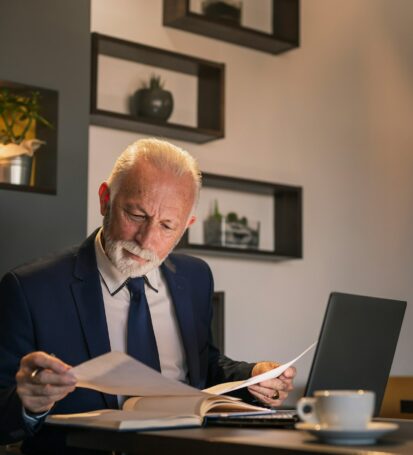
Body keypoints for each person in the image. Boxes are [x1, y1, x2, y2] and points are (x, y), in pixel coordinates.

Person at [0, 138, 296, 454]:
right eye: (136, 215)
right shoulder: (30, 288)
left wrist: (252, 377)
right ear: (105, 200)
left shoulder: (195, 278)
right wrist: (29, 403)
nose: (147, 239)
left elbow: (203, 364)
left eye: (168, 226)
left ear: (187, 226)